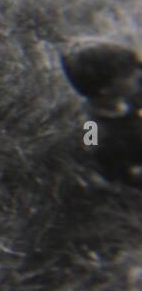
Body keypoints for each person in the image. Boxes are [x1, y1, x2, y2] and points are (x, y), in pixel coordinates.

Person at [61, 38, 142, 187]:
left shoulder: (133, 88)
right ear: (105, 89)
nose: (137, 75)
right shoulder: (92, 127)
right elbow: (97, 164)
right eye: (129, 75)